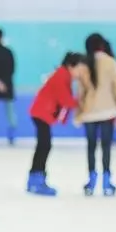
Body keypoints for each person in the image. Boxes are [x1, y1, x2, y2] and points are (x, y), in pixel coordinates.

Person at [26, 53, 84, 196]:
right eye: (79, 70)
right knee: (44, 145)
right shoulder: (61, 76)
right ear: (71, 66)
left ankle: (34, 178)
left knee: (43, 146)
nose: (80, 74)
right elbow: (65, 99)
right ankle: (37, 180)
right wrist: (82, 102)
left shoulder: (63, 75)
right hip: (41, 113)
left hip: (42, 113)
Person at [76, 33, 116, 196]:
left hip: (89, 113)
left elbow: (80, 92)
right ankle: (106, 182)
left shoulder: (83, 64)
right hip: (108, 111)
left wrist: (79, 113)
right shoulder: (111, 62)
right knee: (106, 147)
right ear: (102, 45)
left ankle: (91, 180)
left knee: (91, 147)